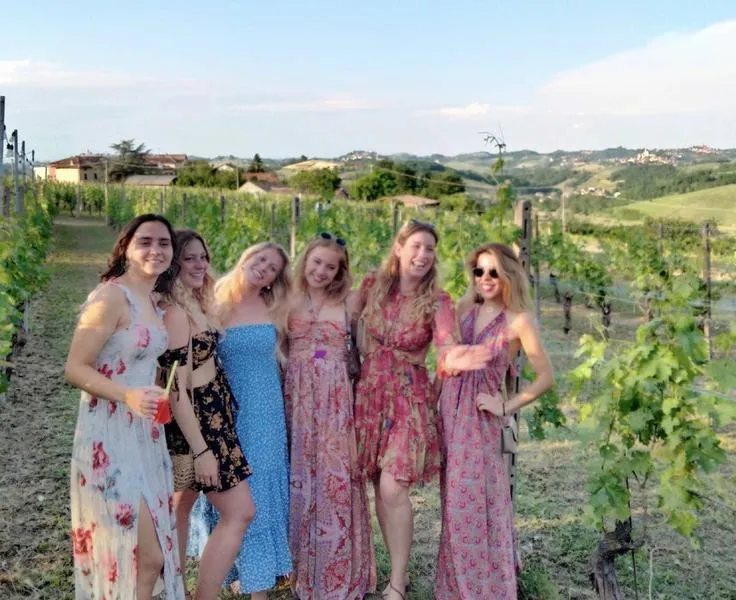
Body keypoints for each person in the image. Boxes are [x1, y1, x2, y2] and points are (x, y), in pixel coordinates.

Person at [352, 220, 491, 600]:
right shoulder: (371, 286)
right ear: (399, 248)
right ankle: (397, 570)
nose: (423, 254)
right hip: (370, 395)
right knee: (379, 486)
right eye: (416, 245)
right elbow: (343, 319)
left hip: (409, 398)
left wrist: (457, 358)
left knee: (393, 486)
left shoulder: (437, 300)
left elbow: (446, 346)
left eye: (430, 248)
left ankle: (397, 581)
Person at [65, 214, 186, 600]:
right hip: (109, 434)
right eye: (145, 241)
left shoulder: (152, 300)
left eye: (164, 243)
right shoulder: (111, 297)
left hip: (145, 436)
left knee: (150, 560)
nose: (156, 250)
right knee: (138, 552)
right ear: (126, 248)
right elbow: (75, 368)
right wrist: (127, 395)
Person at [435, 242, 554, 600]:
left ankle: (485, 588)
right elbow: (445, 360)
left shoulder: (519, 320)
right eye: (479, 271)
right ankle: (454, 589)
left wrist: (505, 406)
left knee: (473, 504)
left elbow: (545, 378)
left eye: (493, 272)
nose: (485, 278)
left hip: (479, 420)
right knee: (453, 505)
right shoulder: (464, 308)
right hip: (449, 413)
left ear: (508, 275)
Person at [188, 242, 293, 600]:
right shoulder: (212, 300)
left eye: (273, 268)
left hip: (266, 411)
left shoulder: (276, 307)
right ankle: (235, 570)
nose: (264, 268)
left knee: (260, 490)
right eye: (260, 259)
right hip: (225, 412)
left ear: (274, 279)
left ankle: (258, 588)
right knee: (233, 493)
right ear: (245, 257)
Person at [156, 229, 255, 600]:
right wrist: (201, 450)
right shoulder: (176, 313)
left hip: (214, 416)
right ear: (173, 264)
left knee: (180, 507)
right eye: (190, 258)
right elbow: (176, 390)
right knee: (240, 511)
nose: (200, 265)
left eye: (203, 257)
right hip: (198, 424)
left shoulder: (197, 302)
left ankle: (178, 592)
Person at [284, 232, 376, 600]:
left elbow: (364, 347)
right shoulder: (286, 297)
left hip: (336, 400)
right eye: (317, 262)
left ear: (340, 272)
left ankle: (338, 570)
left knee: (336, 476)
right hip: (296, 400)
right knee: (300, 476)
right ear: (305, 260)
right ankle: (297, 569)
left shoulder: (349, 301)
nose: (321, 271)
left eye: (331, 267)